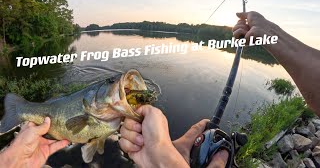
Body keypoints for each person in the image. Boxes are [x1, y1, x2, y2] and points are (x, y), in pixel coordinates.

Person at [1, 11, 319, 167]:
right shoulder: (96, 115)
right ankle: (17, 107)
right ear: (92, 101)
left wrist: (165, 159)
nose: (122, 87)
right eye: (110, 86)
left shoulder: (117, 116)